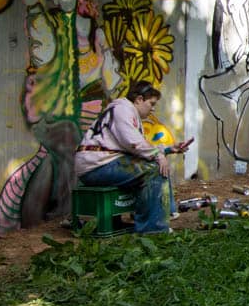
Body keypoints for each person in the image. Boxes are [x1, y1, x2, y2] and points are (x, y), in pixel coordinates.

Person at [73, 80, 192, 234]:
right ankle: (153, 229)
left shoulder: (126, 111)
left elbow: (137, 147)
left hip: (100, 163)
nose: (153, 109)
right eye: (151, 104)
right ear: (139, 100)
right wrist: (158, 155)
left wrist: (168, 149)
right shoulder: (123, 109)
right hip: (97, 166)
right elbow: (133, 143)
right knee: (154, 168)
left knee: (153, 164)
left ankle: (163, 214)